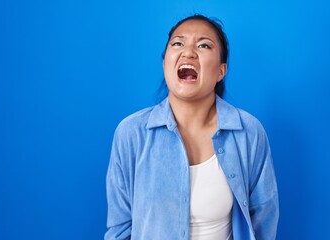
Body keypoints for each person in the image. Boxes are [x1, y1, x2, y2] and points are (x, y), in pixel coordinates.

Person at [105, 14, 279, 240]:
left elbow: (264, 218)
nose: (188, 52)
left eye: (204, 45)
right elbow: (119, 229)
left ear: (221, 71)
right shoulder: (131, 134)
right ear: (165, 62)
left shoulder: (249, 132)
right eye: (178, 43)